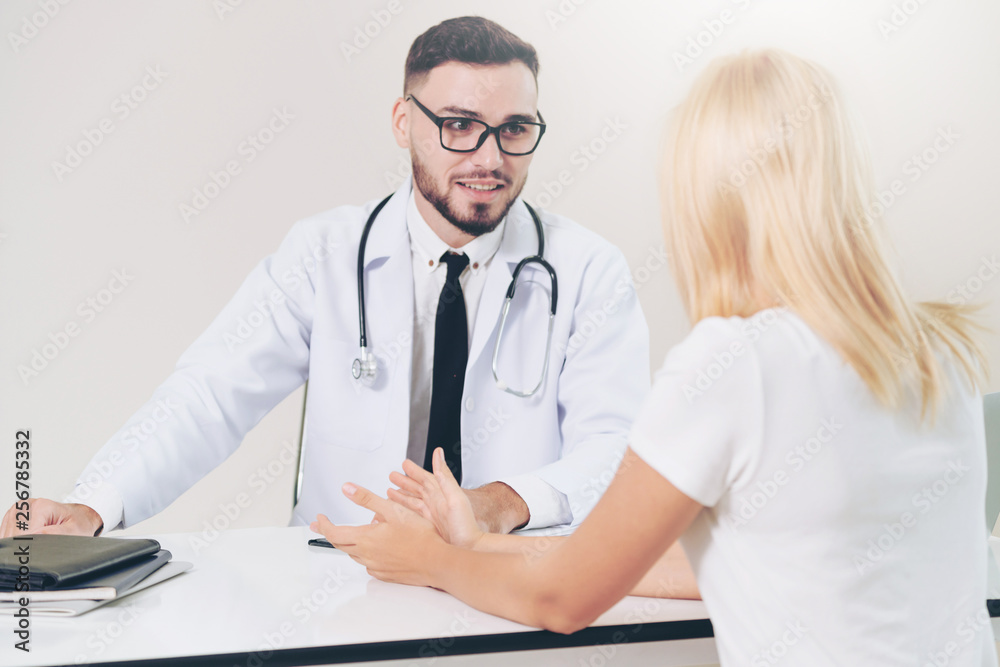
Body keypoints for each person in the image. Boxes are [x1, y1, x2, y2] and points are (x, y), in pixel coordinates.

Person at [311, 49, 996, 665]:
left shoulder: (735, 363)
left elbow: (564, 599)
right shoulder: (941, 351)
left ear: (710, 199)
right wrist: (476, 542)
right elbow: (700, 564)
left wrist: (430, 560)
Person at [0, 17, 650, 539]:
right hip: (339, 584)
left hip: (513, 586)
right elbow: (209, 395)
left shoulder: (588, 271)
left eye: (515, 129)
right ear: (404, 121)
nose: (489, 157)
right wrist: (93, 503)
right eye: (458, 126)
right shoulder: (323, 252)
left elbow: (618, 453)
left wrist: (499, 502)